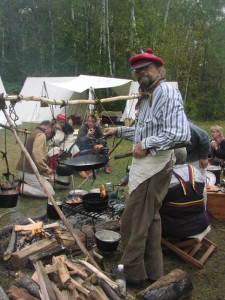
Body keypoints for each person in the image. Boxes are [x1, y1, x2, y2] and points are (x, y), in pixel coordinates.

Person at [105, 48, 190, 286]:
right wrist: (120, 130)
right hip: (148, 166)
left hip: (155, 167)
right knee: (151, 220)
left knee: (133, 222)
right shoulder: (147, 96)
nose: (142, 72)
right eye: (138, 69)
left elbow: (179, 133)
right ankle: (152, 272)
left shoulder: (166, 93)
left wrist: (147, 144)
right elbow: (146, 131)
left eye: (147, 68)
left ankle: (130, 273)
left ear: (159, 70)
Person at [16, 120, 55, 198]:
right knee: (50, 193)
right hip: (28, 172)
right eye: (50, 131)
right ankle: (20, 188)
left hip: (25, 170)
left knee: (46, 187)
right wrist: (46, 169)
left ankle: (24, 183)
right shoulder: (41, 135)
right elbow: (36, 153)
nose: (49, 134)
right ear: (48, 126)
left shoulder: (35, 132)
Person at [186, 120, 210, 206]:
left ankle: (202, 210)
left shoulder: (188, 126)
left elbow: (204, 136)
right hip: (182, 158)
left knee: (199, 184)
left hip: (196, 159)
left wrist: (203, 157)